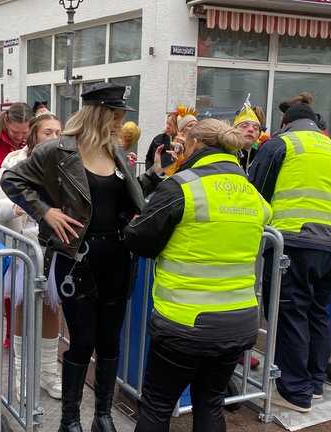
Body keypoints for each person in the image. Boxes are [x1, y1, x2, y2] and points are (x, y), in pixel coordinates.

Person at [1, 82, 164, 432]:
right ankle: (70, 420)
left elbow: (126, 197)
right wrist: (47, 212)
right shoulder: (58, 151)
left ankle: (102, 416)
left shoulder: (115, 150)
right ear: (99, 114)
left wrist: (155, 175)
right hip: (78, 258)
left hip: (119, 257)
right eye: (116, 116)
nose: (120, 125)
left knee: (109, 341)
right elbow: (13, 180)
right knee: (83, 340)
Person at [124, 119, 271, 431]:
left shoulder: (182, 187)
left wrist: (136, 223)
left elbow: (140, 240)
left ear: (194, 144)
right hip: (239, 319)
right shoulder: (252, 193)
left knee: (157, 407)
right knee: (210, 403)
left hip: (186, 323)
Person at [248, 102, 331, 412]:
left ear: (287, 123)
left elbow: (256, 191)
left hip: (292, 242)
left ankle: (293, 391)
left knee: (290, 314)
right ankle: (314, 385)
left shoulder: (282, 143)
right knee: (318, 314)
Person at [0, 112, 64, 401]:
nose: (54, 137)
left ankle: (47, 374)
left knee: (53, 308)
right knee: (20, 307)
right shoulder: (14, 162)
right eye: (48, 132)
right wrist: (17, 207)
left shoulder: (68, 163)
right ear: (34, 136)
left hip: (56, 249)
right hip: (24, 248)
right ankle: (21, 375)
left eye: (58, 132)